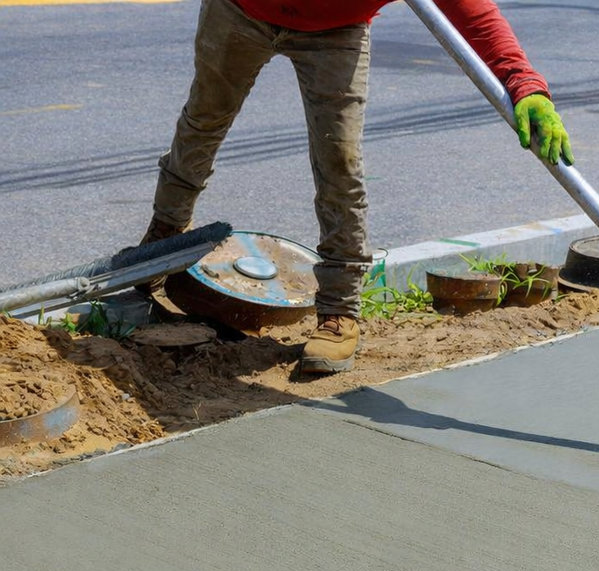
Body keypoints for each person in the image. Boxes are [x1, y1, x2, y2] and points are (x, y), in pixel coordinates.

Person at [140, 0, 572, 373]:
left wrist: (525, 84)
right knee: (202, 126)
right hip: (240, 11)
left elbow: (472, 13)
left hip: (336, 30)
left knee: (340, 163)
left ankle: (339, 310)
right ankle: (161, 241)